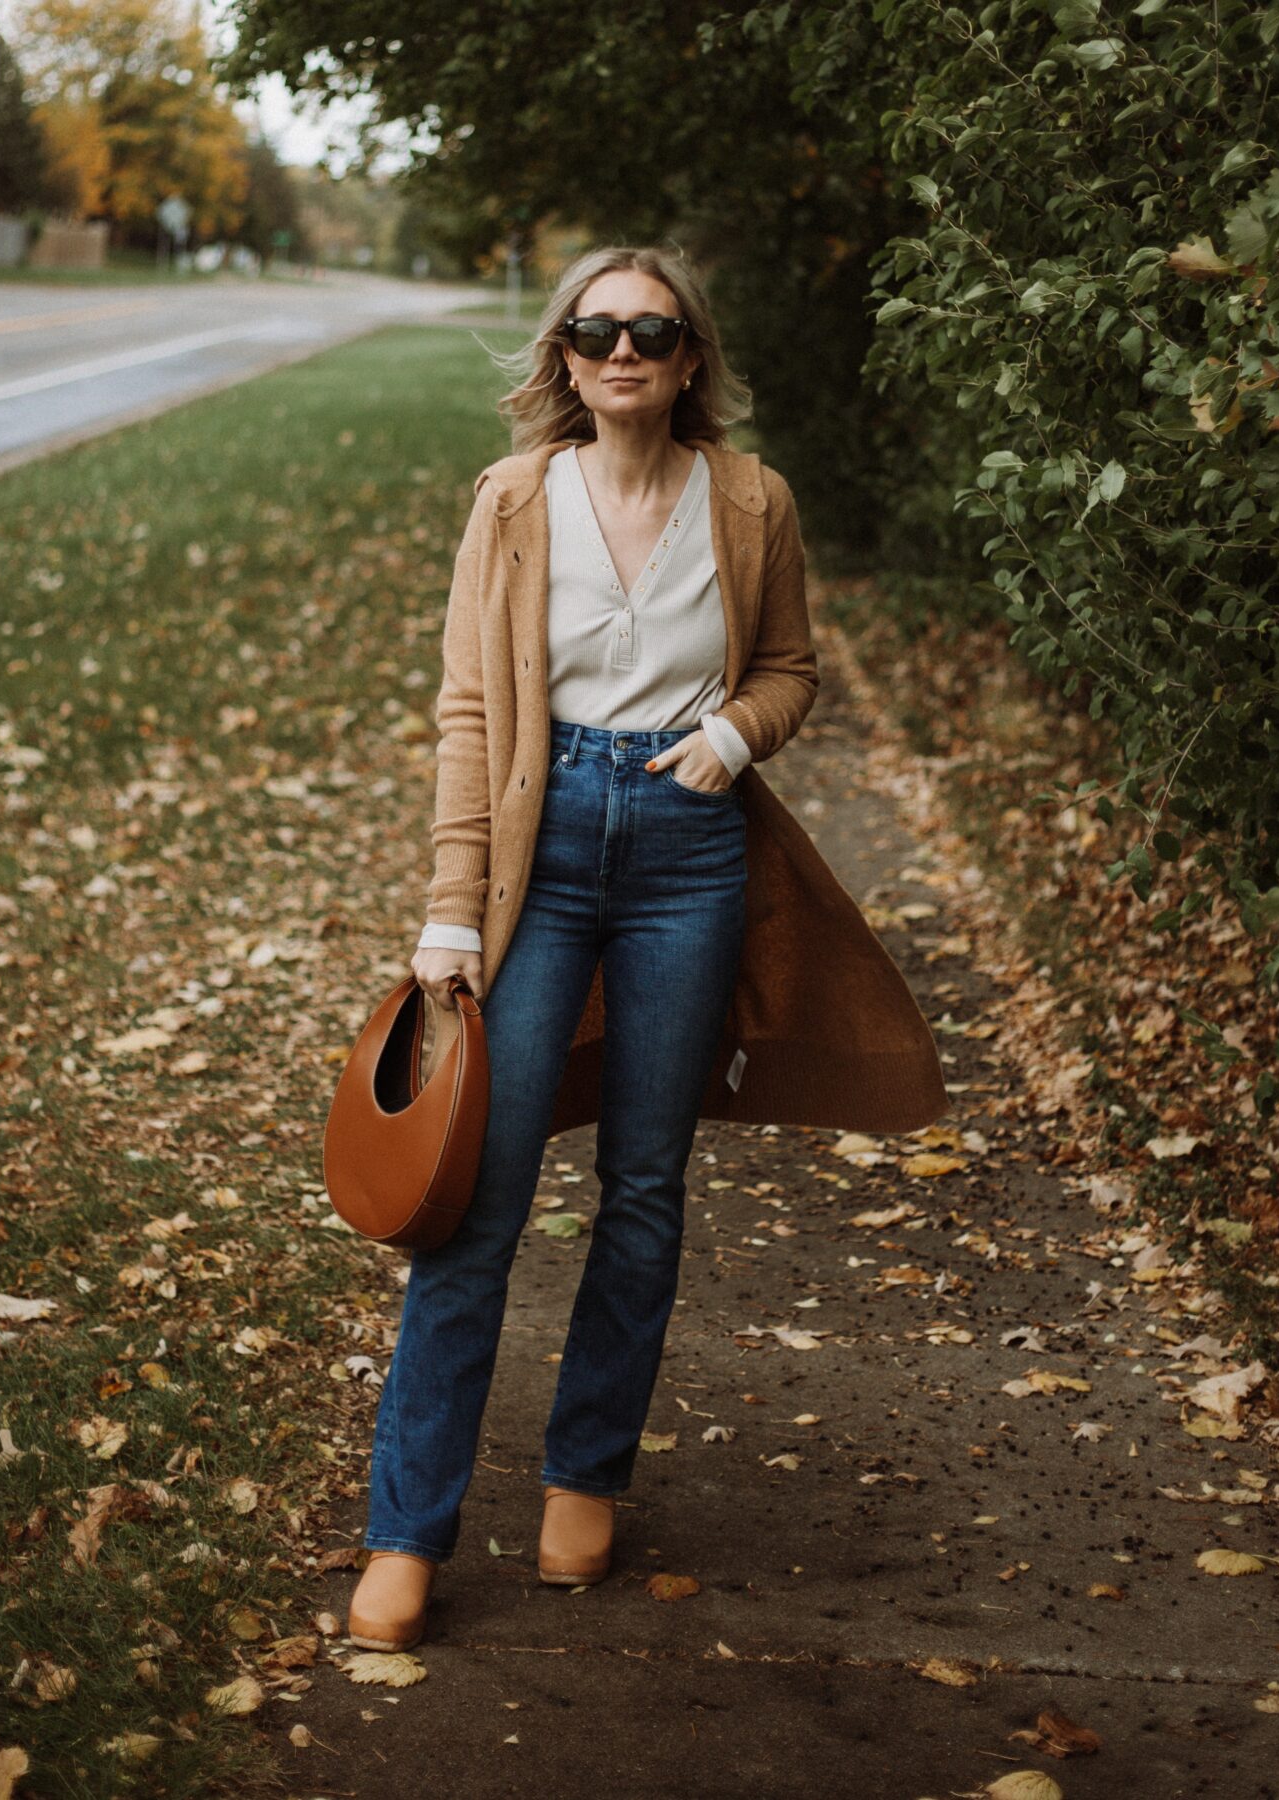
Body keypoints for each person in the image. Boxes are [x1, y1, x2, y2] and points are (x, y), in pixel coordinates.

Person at [348, 244, 815, 1651]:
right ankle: (407, 1531)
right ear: (562, 357)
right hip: (536, 861)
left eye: (652, 331)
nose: (623, 351)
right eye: (595, 330)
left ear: (688, 362)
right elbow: (469, 711)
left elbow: (790, 665)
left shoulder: (751, 500)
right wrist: (449, 903)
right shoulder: (509, 502)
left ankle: (584, 1473)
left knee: (643, 1187)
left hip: (684, 852)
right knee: (477, 1198)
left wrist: (732, 739)